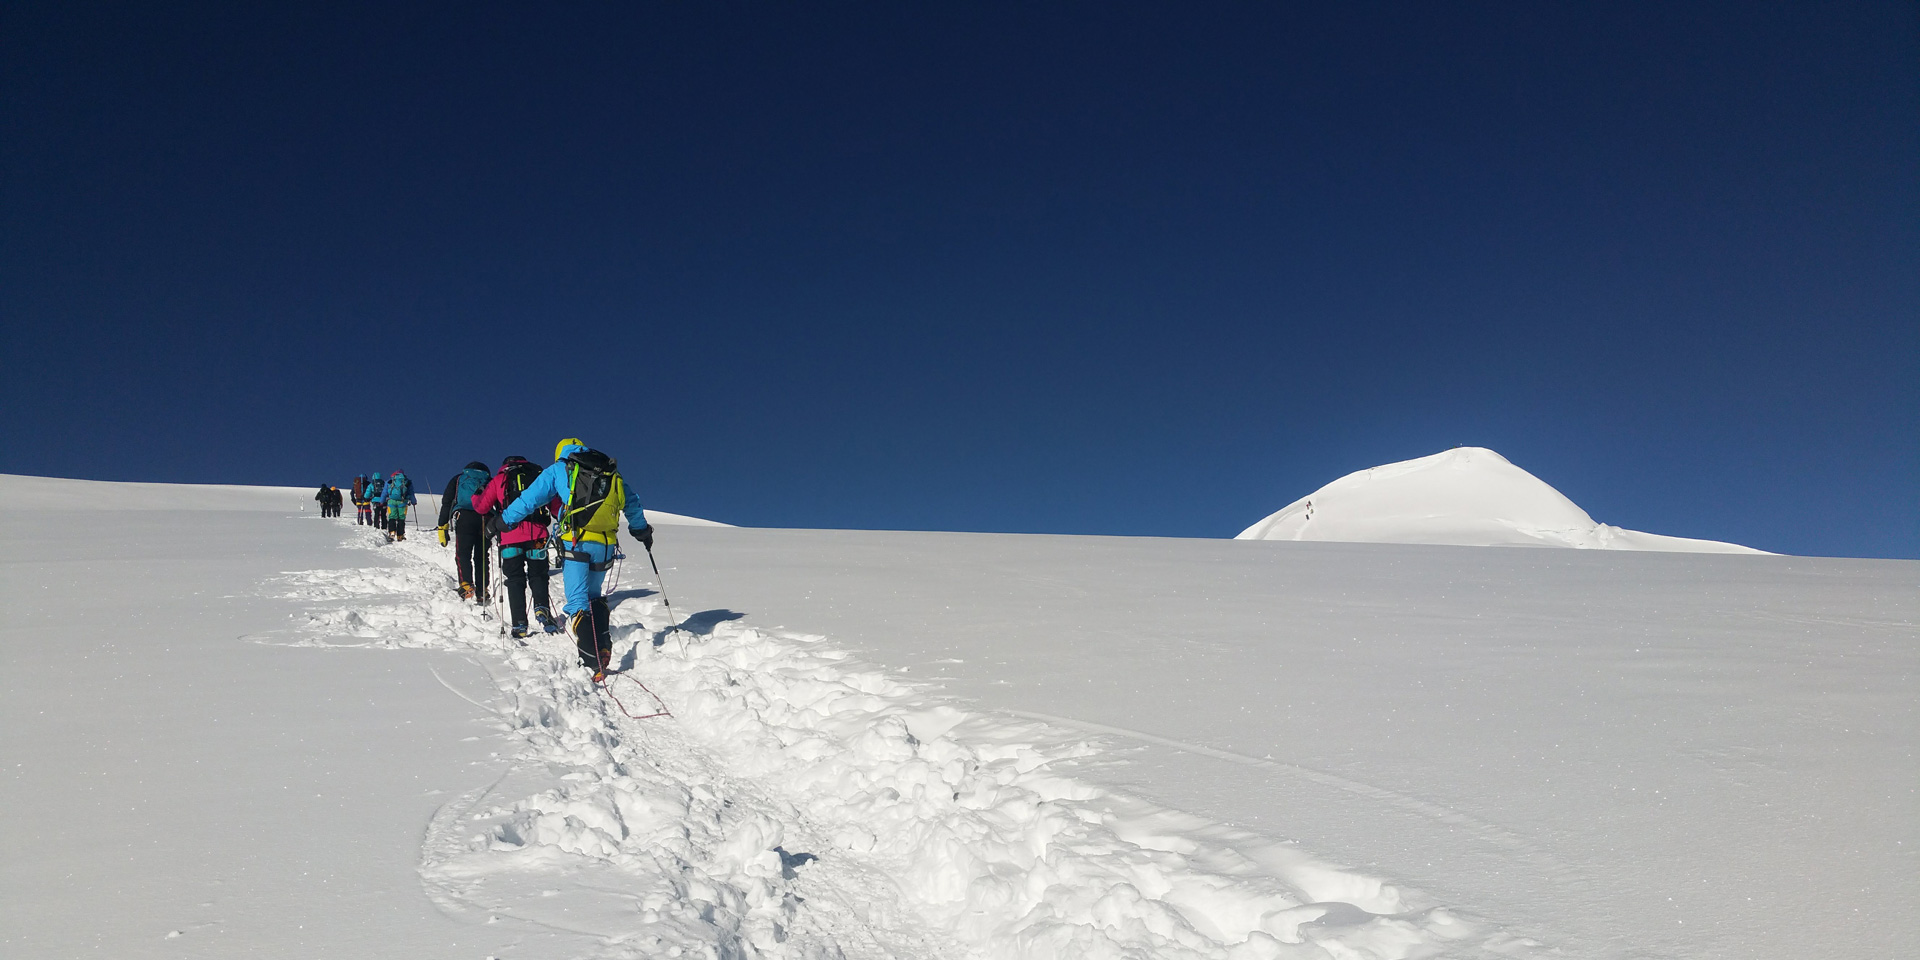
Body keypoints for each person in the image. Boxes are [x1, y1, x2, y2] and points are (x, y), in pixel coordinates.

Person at [500, 438, 652, 679]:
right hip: (606, 544)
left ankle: (591, 660)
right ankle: (602, 646)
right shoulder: (609, 471)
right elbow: (632, 503)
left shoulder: (561, 469)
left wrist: (504, 521)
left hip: (577, 541)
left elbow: (531, 499)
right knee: (594, 595)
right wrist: (641, 530)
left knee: (577, 599)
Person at [471, 455, 557, 638]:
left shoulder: (499, 479)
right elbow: (555, 506)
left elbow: (481, 508)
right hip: (538, 534)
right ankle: (542, 609)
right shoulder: (538, 476)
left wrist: (476, 495)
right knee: (539, 574)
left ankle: (519, 623)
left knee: (515, 579)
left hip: (510, 536)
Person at [436, 461, 493, 601]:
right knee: (482, 556)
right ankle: (482, 590)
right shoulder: (490, 481)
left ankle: (466, 585)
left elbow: (447, 502)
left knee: (463, 553)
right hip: (486, 519)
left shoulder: (458, 479)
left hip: (465, 517)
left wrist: (442, 525)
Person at [383, 470, 416, 541]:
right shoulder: (407, 481)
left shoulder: (390, 481)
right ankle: (400, 535)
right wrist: (413, 501)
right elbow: (411, 493)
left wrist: (382, 501)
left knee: (392, 517)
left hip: (391, 501)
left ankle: (392, 533)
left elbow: (385, 492)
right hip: (402, 502)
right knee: (401, 518)